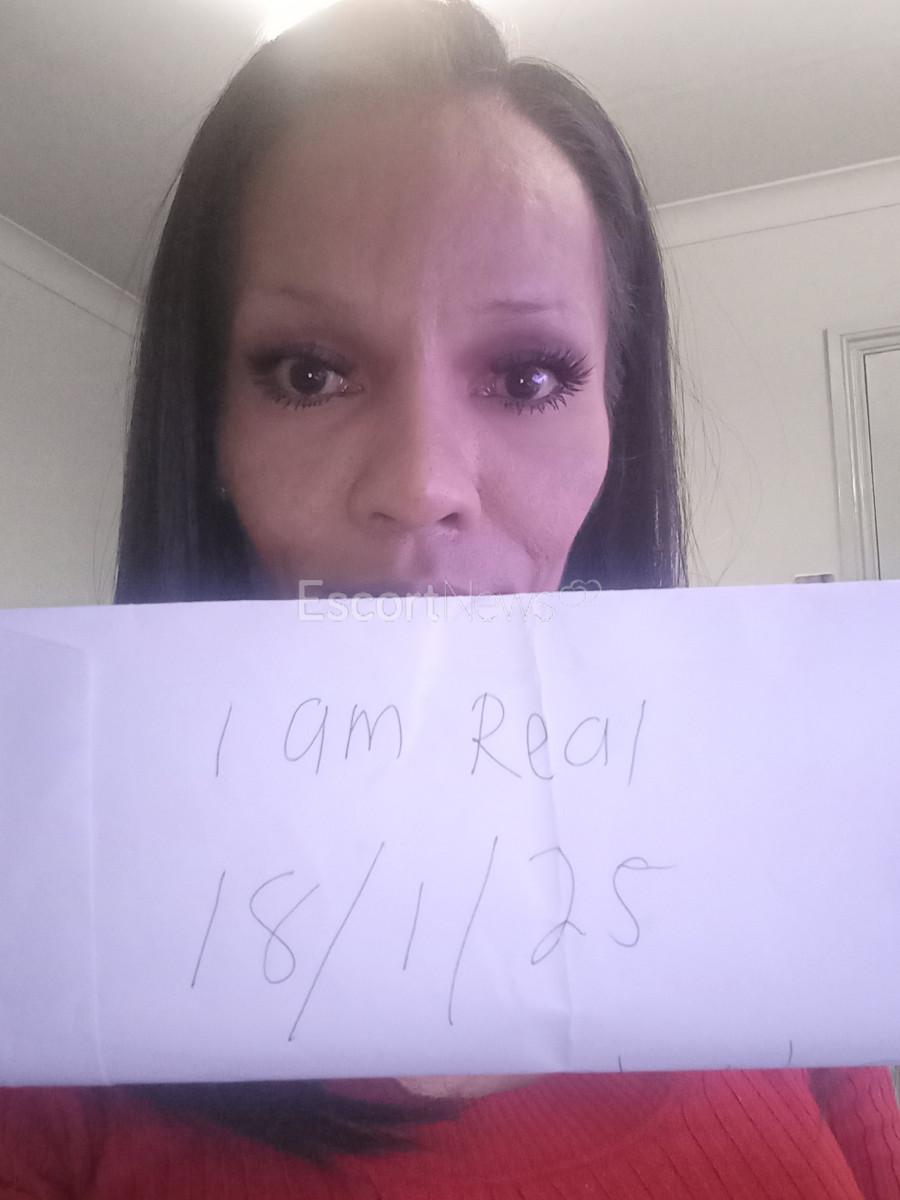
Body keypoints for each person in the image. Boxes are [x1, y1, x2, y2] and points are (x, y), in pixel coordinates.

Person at [2, 1, 900, 1196]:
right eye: (309, 372)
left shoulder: (797, 935)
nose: (423, 486)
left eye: (526, 376)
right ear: (207, 428)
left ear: (616, 425)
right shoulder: (46, 1005)